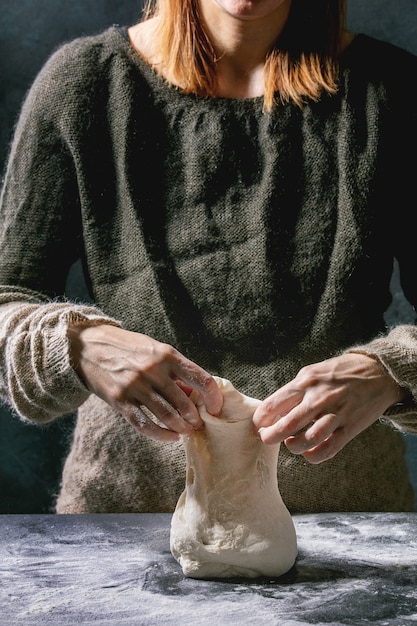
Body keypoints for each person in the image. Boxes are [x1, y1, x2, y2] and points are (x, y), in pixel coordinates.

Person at [0, 0, 416, 515]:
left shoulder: (395, 89)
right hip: (120, 530)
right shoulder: (83, 83)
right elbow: (5, 302)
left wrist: (391, 371)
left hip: (351, 531)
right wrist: (80, 344)